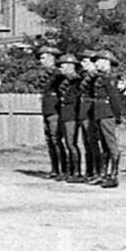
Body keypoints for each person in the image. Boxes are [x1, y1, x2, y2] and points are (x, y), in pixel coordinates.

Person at [90, 49, 125, 188]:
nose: (97, 64)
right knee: (104, 145)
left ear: (106, 62)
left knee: (111, 145)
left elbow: (114, 98)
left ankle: (113, 175)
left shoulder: (110, 78)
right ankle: (103, 174)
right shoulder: (101, 77)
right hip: (100, 112)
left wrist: (117, 115)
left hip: (107, 113)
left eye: (99, 61)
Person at [36, 46, 65, 178]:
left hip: (55, 110)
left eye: (43, 58)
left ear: (51, 57)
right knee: (50, 140)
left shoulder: (58, 74)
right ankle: (55, 169)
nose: (41, 61)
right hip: (48, 109)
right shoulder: (47, 74)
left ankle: (63, 170)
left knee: (56, 139)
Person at [57, 54, 84, 182]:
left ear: (70, 66)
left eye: (62, 66)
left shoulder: (76, 81)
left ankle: (77, 172)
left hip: (72, 115)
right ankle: (70, 171)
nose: (60, 69)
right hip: (65, 114)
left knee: (71, 143)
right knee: (68, 143)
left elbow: (76, 100)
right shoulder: (65, 81)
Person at [79, 53, 102, 183]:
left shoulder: (96, 77)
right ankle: (89, 171)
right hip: (84, 111)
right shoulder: (85, 76)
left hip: (91, 111)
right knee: (87, 143)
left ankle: (97, 171)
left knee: (93, 142)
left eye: (86, 61)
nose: (83, 64)